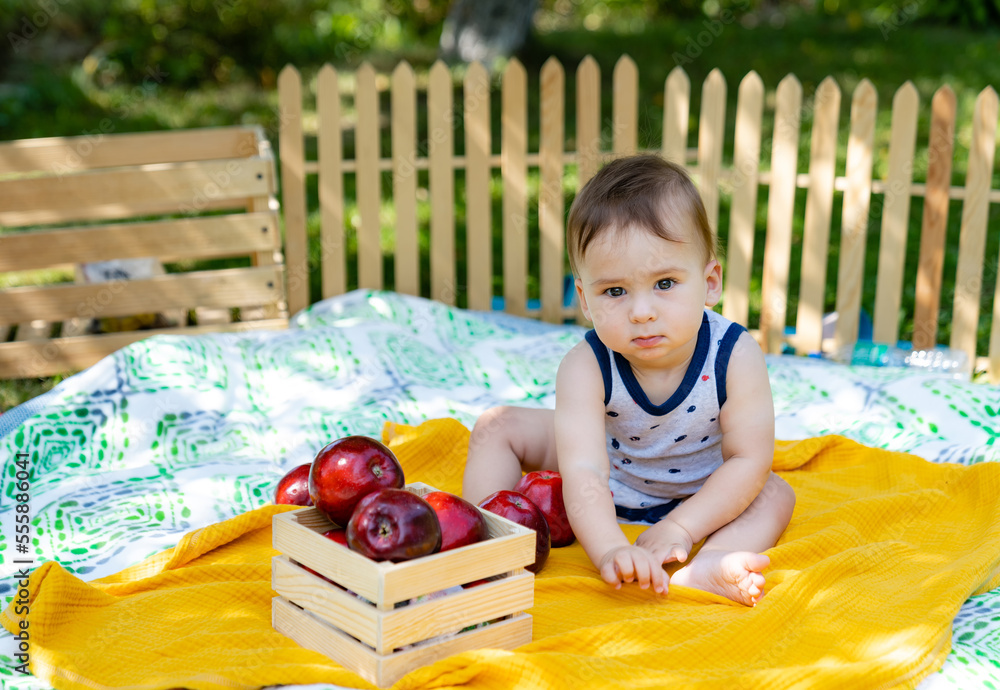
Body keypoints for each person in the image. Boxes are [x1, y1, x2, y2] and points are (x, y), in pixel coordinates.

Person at [462, 154, 795, 606]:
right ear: (584, 298)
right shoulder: (586, 365)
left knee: (773, 492)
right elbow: (583, 468)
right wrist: (609, 548)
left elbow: (747, 462)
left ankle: (710, 563)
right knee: (496, 426)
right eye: (614, 292)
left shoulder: (735, 355)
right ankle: (488, 541)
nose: (641, 312)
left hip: (707, 488)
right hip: (614, 467)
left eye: (665, 283)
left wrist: (681, 527)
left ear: (710, 282)